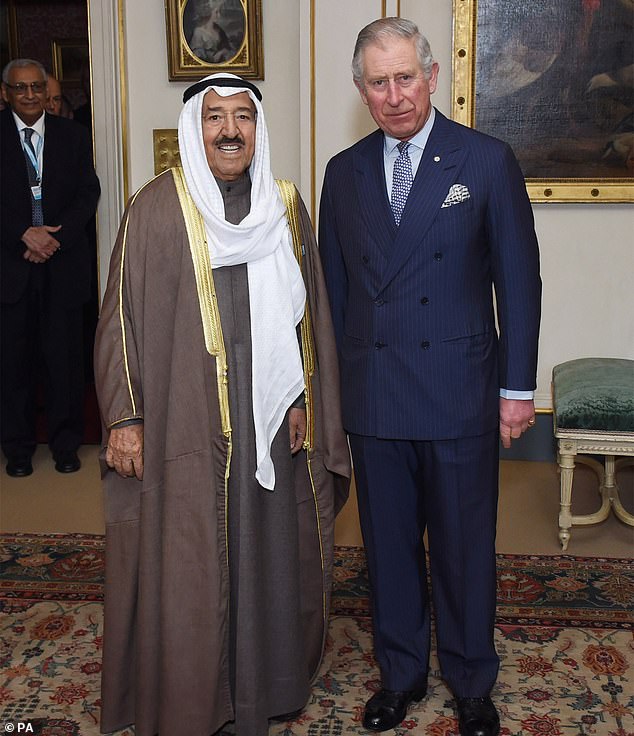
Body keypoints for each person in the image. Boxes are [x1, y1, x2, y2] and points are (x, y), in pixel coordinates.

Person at [94, 72, 350, 736]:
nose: (230, 130)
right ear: (193, 129)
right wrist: (125, 416)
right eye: (214, 118)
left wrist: (301, 402)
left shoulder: (286, 206)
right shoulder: (154, 208)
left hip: (267, 424)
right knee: (189, 555)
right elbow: (118, 318)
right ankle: (190, 693)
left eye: (242, 117)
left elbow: (308, 319)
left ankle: (265, 687)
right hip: (184, 421)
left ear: (258, 129)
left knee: (266, 545)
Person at [319, 18, 541, 736]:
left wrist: (517, 389)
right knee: (386, 551)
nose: (395, 95)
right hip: (376, 396)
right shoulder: (343, 172)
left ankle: (473, 682)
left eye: (406, 77)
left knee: (463, 547)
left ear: (434, 76)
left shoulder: (484, 160)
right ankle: (402, 676)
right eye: (378, 82)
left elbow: (520, 282)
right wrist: (336, 391)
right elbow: (335, 293)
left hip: (459, 391)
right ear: (361, 89)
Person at [1, 59, 100, 477]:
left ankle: (65, 446)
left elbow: (88, 192)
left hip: (62, 266)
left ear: (46, 91)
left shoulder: (72, 136)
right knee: (13, 367)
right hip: (11, 270)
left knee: (65, 366)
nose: (29, 95)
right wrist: (23, 234)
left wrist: (54, 238)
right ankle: (19, 451)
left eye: (36, 87)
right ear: (5, 92)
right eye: (19, 88)